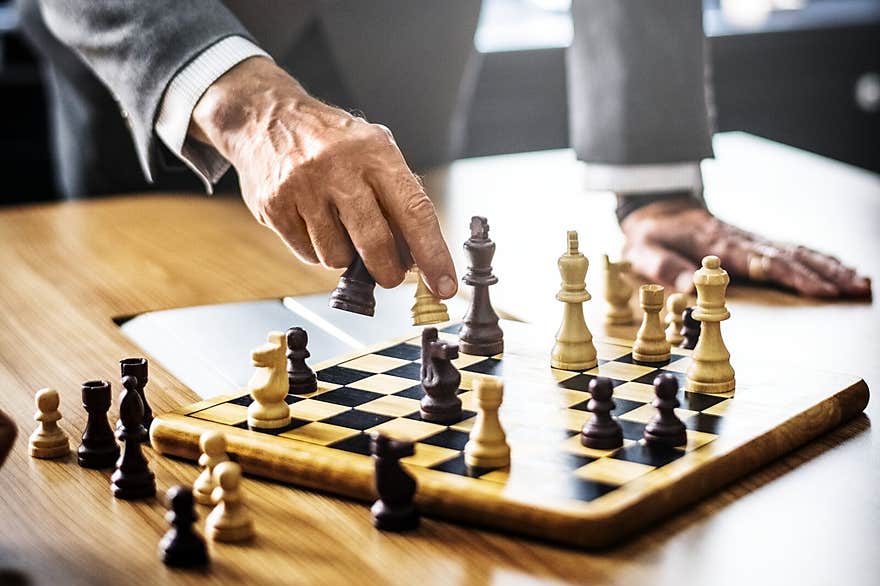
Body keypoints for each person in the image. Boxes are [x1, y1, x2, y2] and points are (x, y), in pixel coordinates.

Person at [18, 0, 870, 300]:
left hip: (401, 43)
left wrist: (652, 185)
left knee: (403, 290)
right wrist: (244, 101)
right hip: (163, 60)